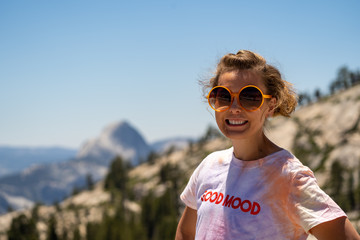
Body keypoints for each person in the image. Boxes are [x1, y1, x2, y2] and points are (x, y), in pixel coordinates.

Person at [175, 50, 360, 240]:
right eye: (223, 96)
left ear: (270, 106)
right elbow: (186, 232)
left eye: (250, 97)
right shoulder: (209, 165)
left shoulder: (288, 177)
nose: (235, 107)